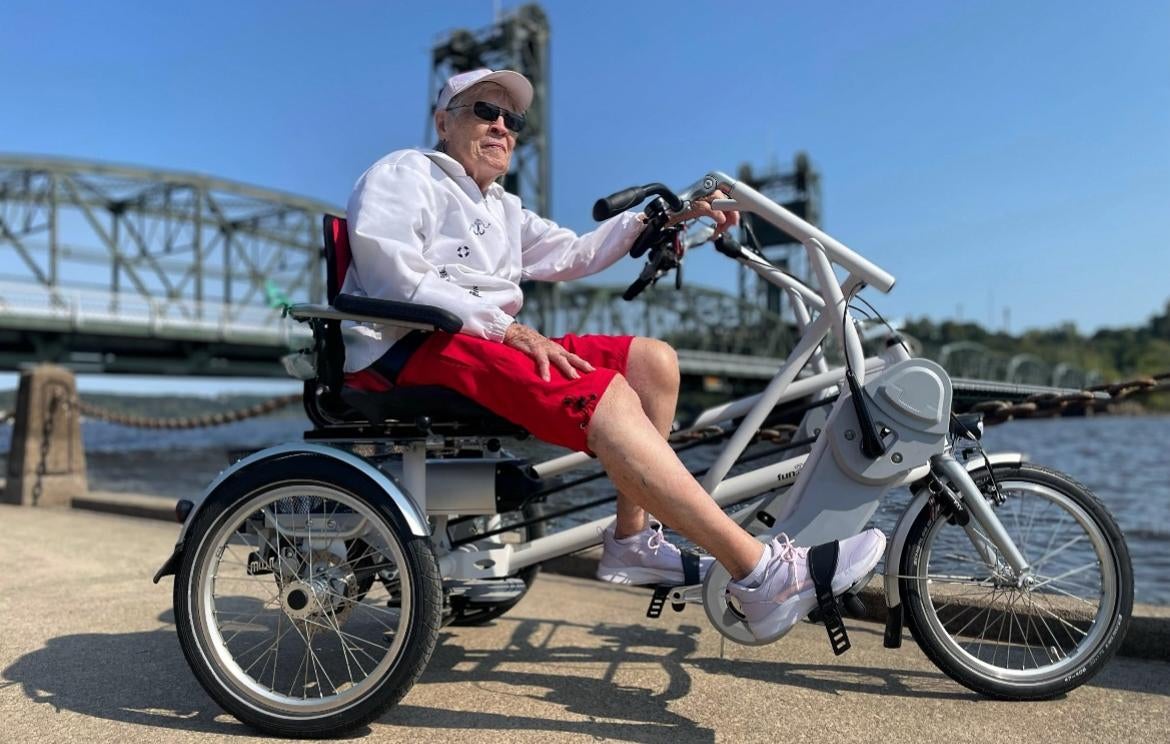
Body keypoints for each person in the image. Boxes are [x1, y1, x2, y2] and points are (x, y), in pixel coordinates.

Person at [341, 68, 884, 640]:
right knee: (606, 393)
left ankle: (630, 541)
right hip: (413, 345)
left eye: (513, 119)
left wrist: (666, 215)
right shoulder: (407, 173)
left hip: (477, 337)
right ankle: (758, 573)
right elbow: (390, 276)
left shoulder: (500, 205)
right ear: (443, 121)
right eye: (484, 111)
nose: (502, 126)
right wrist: (508, 329)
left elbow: (573, 254)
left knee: (651, 362)